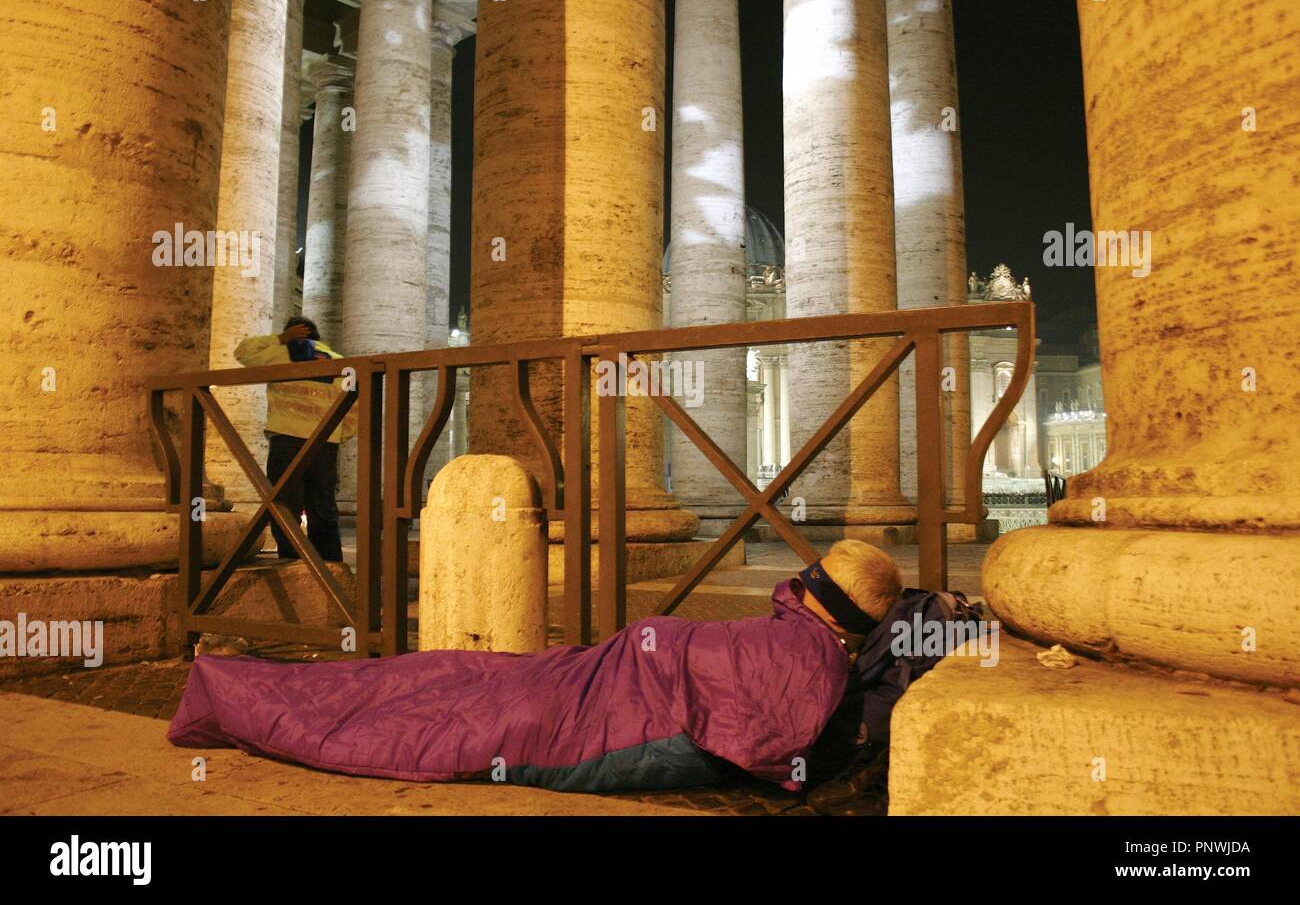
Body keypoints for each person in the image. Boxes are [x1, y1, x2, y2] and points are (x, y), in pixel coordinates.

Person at [167, 540, 977, 805]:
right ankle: (235, 688)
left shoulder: (798, 652)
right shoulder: (808, 652)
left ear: (811, 591)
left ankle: (232, 690)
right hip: (596, 680)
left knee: (428, 703)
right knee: (446, 682)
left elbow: (763, 738)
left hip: (596, 710)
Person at [233, 316, 356, 562]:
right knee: (323, 506)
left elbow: (243, 352)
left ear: (292, 333)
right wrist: (338, 434)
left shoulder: (281, 353)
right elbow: (355, 406)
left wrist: (280, 339)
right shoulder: (340, 362)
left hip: (287, 439)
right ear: (318, 336)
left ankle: (292, 561)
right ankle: (331, 564)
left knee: (285, 506)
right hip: (325, 443)